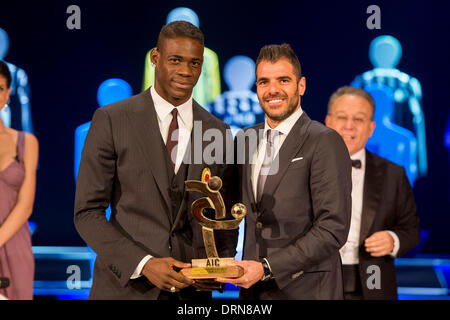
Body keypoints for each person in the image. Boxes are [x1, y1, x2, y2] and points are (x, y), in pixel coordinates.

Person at [74, 21, 237, 300]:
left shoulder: (217, 131)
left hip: (191, 294)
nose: (186, 71)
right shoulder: (112, 120)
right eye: (176, 60)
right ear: (155, 58)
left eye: (194, 63)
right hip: (124, 289)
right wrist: (144, 264)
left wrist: (216, 268)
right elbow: (87, 213)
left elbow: (225, 212)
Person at [217, 44, 352, 299]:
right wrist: (220, 263)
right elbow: (230, 212)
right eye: (264, 82)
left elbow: (332, 228)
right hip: (253, 291)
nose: (273, 90)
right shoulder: (245, 139)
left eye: (283, 80)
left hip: (307, 290)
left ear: (301, 86)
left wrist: (267, 268)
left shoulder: (324, 141)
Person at [325, 86, 420, 299]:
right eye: (342, 117)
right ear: (328, 122)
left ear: (371, 127)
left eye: (359, 119)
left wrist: (392, 239)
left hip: (373, 282)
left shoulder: (393, 174)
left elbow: (411, 230)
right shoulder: (303, 169)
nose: (349, 126)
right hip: (316, 284)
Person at [0, 60, 39, 300]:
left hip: (15, 247)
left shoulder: (27, 142)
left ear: (8, 92)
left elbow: (25, 206)